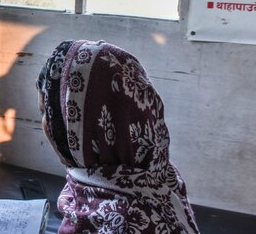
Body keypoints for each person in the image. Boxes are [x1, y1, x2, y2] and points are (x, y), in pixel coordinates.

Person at [36, 40, 200, 234]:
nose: (45, 126)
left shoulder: (116, 222)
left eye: (46, 113)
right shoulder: (157, 178)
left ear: (81, 128)